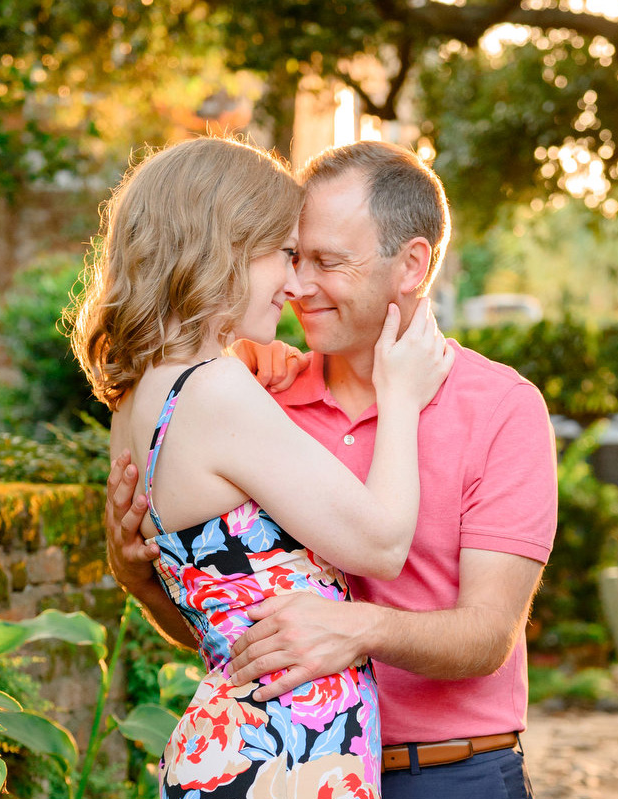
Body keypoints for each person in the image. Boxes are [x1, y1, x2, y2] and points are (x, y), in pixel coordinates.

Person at [107, 140, 558, 799]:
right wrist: (142, 579)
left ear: (411, 264)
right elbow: (233, 627)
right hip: (298, 760)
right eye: (291, 254)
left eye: (324, 261)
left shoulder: (501, 408)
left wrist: (356, 629)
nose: (299, 285)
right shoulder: (256, 396)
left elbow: (489, 633)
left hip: (450, 774)